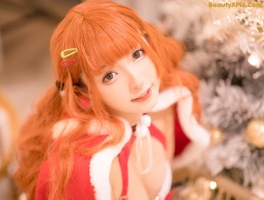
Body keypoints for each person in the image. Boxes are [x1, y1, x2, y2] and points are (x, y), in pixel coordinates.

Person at [14, 0, 210, 199]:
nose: (137, 81)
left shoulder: (162, 106)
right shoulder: (90, 169)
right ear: (85, 91)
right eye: (110, 76)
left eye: (137, 54)